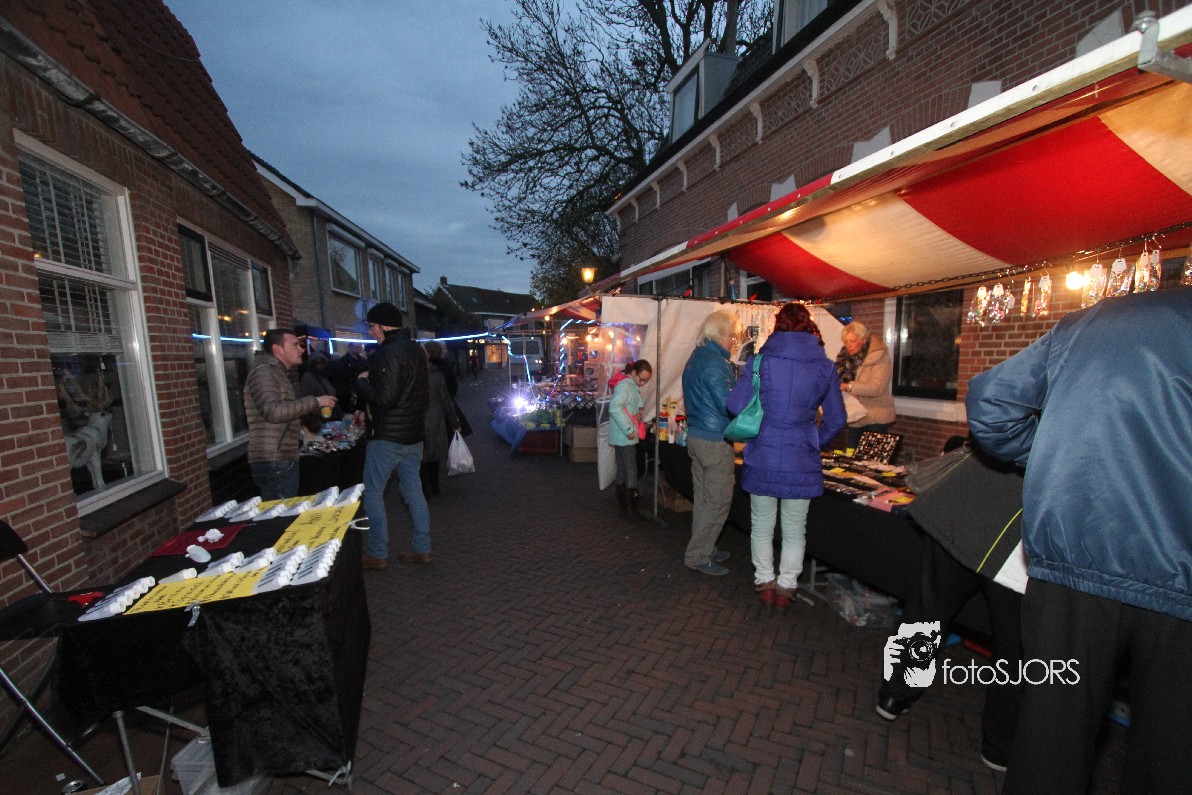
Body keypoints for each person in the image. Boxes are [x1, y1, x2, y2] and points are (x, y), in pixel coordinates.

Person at [966, 287, 1192, 794]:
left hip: (1075, 558)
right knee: (1173, 752)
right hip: (1179, 567)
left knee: (1050, 732)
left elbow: (990, 403)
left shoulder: (1094, 320)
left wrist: (1055, 458)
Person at [874, 438, 1025, 774]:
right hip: (1014, 527)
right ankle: (999, 745)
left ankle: (894, 695)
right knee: (1014, 646)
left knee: (927, 612)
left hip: (967, 504)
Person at [727, 303, 846, 608]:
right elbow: (837, 420)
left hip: (763, 455)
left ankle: (765, 582)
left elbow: (735, 406)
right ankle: (787, 587)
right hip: (802, 459)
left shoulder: (759, 362)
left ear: (777, 326)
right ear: (810, 327)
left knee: (761, 525)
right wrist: (813, 441)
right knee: (794, 529)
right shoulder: (825, 367)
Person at [354, 302, 431, 571]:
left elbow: (386, 399)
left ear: (384, 326)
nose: (371, 332)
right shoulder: (416, 350)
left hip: (388, 437)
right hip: (414, 436)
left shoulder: (387, 353)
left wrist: (363, 382)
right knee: (413, 491)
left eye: (372, 326)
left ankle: (377, 553)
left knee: (373, 493)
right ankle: (422, 548)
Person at [681, 309, 742, 576]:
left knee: (704, 500)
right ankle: (698, 555)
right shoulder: (715, 363)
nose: (734, 342)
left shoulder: (696, 357)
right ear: (719, 335)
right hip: (715, 440)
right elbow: (729, 404)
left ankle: (705, 547)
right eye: (732, 336)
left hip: (697, 435)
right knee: (717, 502)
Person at [244, 329, 336, 500]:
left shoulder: (275, 372)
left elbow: (283, 411)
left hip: (279, 457)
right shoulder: (264, 373)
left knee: (282, 511)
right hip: (275, 459)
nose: (301, 349)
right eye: (295, 345)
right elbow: (273, 412)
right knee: (282, 513)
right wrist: (315, 401)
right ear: (277, 349)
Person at [834, 321, 895, 449]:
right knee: (850, 455)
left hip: (875, 419)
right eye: (846, 342)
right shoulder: (843, 359)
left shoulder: (879, 357)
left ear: (863, 340)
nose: (849, 345)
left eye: (853, 341)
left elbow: (877, 388)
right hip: (855, 417)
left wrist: (848, 387)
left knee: (870, 459)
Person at [608, 359, 652, 521]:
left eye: (645, 381)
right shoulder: (626, 385)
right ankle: (633, 510)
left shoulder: (627, 384)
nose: (643, 383)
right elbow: (615, 408)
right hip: (626, 436)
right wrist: (628, 429)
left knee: (622, 469)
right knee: (631, 470)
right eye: (642, 379)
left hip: (621, 435)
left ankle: (624, 509)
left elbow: (624, 407)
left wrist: (637, 415)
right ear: (633, 373)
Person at [420, 343, 460, 499]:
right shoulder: (436, 375)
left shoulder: (409, 376)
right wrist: (454, 421)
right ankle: (434, 485)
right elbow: (446, 399)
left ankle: (425, 488)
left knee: (420, 456)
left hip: (416, 421)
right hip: (435, 419)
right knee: (433, 454)